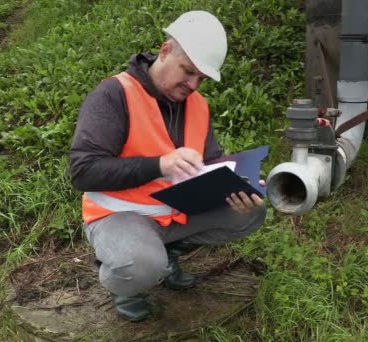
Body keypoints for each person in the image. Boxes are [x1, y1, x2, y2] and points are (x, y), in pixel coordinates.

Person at [69, 11, 266, 322]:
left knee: (251, 211)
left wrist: (241, 181)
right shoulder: (114, 94)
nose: (193, 84)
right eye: (188, 71)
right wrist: (159, 165)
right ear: (165, 51)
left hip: (175, 212)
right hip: (119, 214)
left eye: (201, 78)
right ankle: (127, 285)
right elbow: (82, 171)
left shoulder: (198, 105)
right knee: (141, 265)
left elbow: (211, 161)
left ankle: (168, 254)